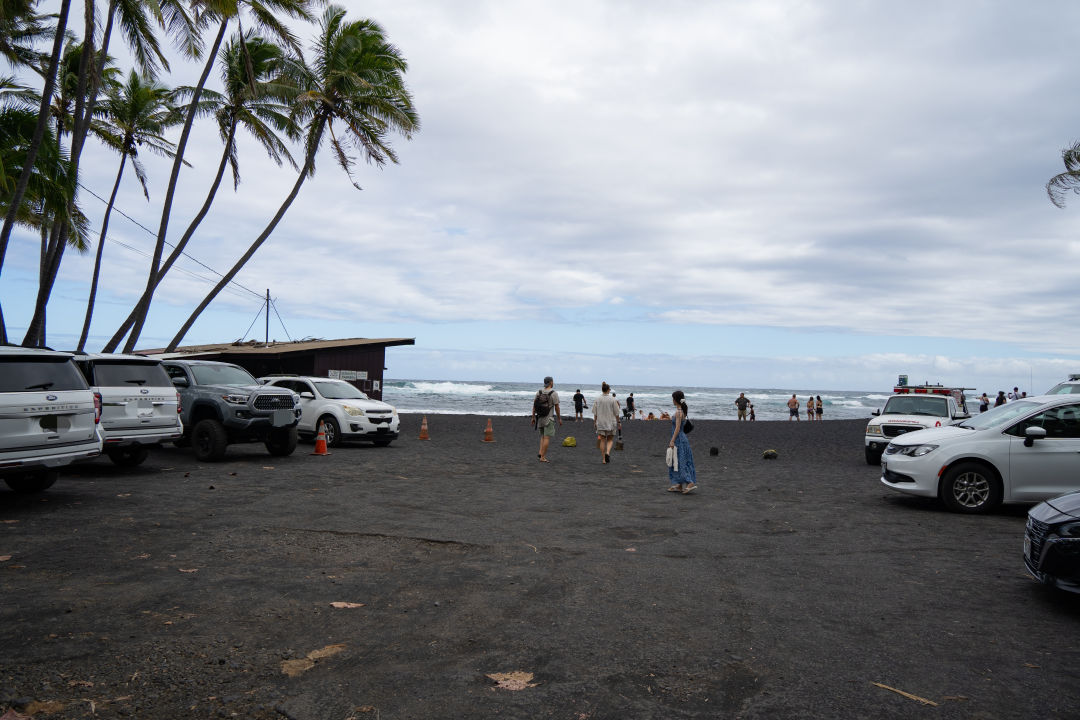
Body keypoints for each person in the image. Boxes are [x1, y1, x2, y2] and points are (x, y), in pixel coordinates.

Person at [666, 390, 697, 494]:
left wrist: (672, 440)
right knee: (677, 460)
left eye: (673, 398)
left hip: (679, 439)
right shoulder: (680, 411)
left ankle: (690, 482)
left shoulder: (679, 412)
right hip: (681, 438)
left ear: (676, 399)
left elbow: (678, 428)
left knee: (681, 460)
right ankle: (679, 484)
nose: (672, 400)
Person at [531, 376, 562, 462]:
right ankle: (543, 457)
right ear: (551, 382)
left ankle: (540, 453)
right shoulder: (553, 393)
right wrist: (559, 418)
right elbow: (557, 408)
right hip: (549, 419)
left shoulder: (539, 392)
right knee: (547, 438)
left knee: (542, 437)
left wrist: (533, 417)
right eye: (553, 381)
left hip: (540, 418)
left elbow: (534, 406)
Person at [592, 382, 621, 464]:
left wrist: (595, 421)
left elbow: (595, 412)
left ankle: (604, 459)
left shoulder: (597, 399)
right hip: (611, 422)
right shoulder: (613, 399)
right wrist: (618, 421)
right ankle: (607, 452)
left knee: (602, 440)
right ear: (608, 390)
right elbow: (617, 413)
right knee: (610, 439)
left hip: (601, 422)